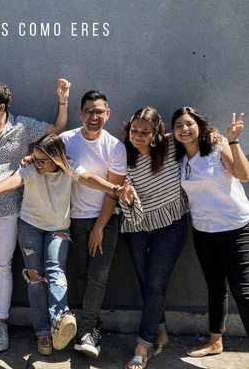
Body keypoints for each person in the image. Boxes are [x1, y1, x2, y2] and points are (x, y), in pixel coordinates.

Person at [0, 134, 135, 356]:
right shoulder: (31, 168)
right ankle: (42, 332)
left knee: (55, 269)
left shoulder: (69, 167)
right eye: (35, 158)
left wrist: (115, 189)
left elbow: (89, 179)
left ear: (57, 159)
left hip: (58, 228)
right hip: (30, 226)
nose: (37, 164)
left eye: (42, 161)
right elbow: (14, 180)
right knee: (35, 277)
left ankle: (60, 319)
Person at [0, 79, 71, 352]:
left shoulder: (23, 127)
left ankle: (1, 322)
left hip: (10, 207)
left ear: (1, 107)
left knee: (3, 265)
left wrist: (63, 99)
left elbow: (56, 128)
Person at [172, 108, 249, 357]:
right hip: (204, 231)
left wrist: (233, 141)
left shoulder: (217, 147)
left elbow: (244, 175)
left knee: (244, 291)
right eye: (178, 126)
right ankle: (215, 342)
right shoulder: (179, 159)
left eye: (189, 124)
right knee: (216, 288)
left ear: (200, 126)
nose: (184, 129)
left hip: (235, 228)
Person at [119, 107, 189, 369]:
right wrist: (127, 198)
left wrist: (216, 136)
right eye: (134, 130)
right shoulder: (122, 155)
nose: (137, 136)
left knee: (156, 285)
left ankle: (143, 345)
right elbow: (121, 194)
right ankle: (161, 333)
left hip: (170, 225)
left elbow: (195, 134)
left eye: (144, 132)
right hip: (136, 225)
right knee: (146, 283)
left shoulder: (171, 146)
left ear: (156, 133)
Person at [59, 90, 127, 358]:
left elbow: (113, 191)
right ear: (80, 113)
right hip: (74, 219)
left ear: (107, 114)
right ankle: (93, 324)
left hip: (105, 220)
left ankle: (87, 332)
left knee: (98, 276)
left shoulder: (115, 147)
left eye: (99, 111)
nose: (93, 116)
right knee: (81, 274)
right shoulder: (66, 140)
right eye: (88, 111)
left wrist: (99, 227)